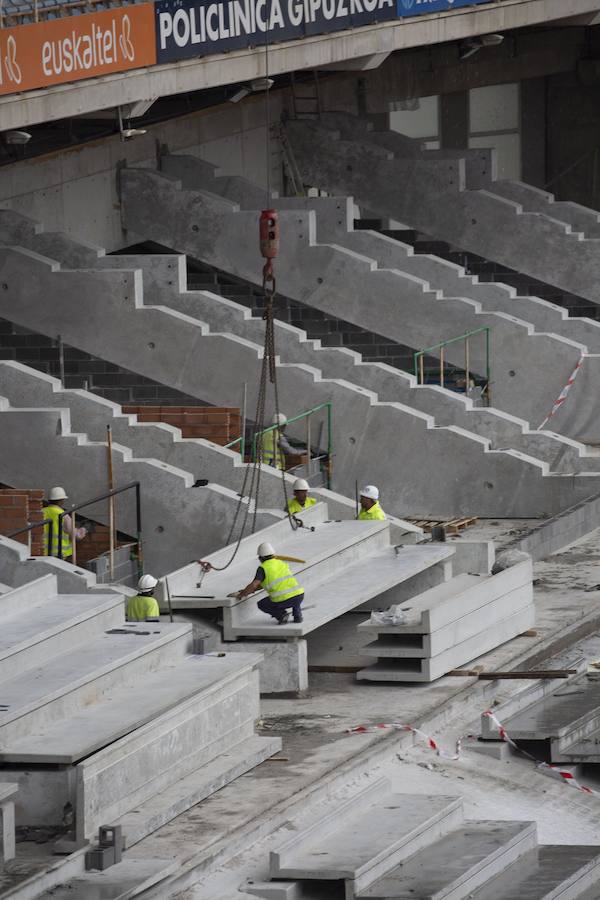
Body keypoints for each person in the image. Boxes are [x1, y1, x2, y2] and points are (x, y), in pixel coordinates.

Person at [233, 542, 304, 625]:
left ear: (260, 558)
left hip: (284, 600)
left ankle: (282, 615)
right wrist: (249, 590)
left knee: (262, 604)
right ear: (273, 555)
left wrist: (242, 594)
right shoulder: (281, 563)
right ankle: (297, 616)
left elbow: (254, 585)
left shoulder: (263, 568)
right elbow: (266, 583)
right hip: (300, 595)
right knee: (293, 596)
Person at [42, 486, 87, 560]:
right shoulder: (63, 515)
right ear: (61, 501)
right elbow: (75, 535)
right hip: (60, 553)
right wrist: (83, 530)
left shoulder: (41, 512)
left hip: (43, 553)